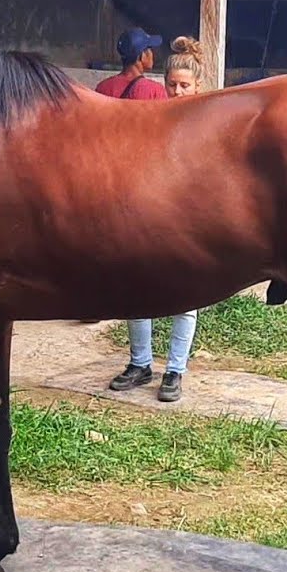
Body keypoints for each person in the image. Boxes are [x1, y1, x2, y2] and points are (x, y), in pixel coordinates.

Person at [108, 36, 208, 403]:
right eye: (172, 85)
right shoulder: (152, 118)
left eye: (185, 86)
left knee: (186, 299)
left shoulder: (208, 124)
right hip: (148, 217)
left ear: (198, 86)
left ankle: (175, 370)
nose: (178, 91)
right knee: (137, 293)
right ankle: (140, 363)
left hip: (190, 222)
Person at [95, 27, 169, 101]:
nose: (152, 54)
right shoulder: (155, 91)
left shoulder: (102, 88)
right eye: (149, 49)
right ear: (142, 56)